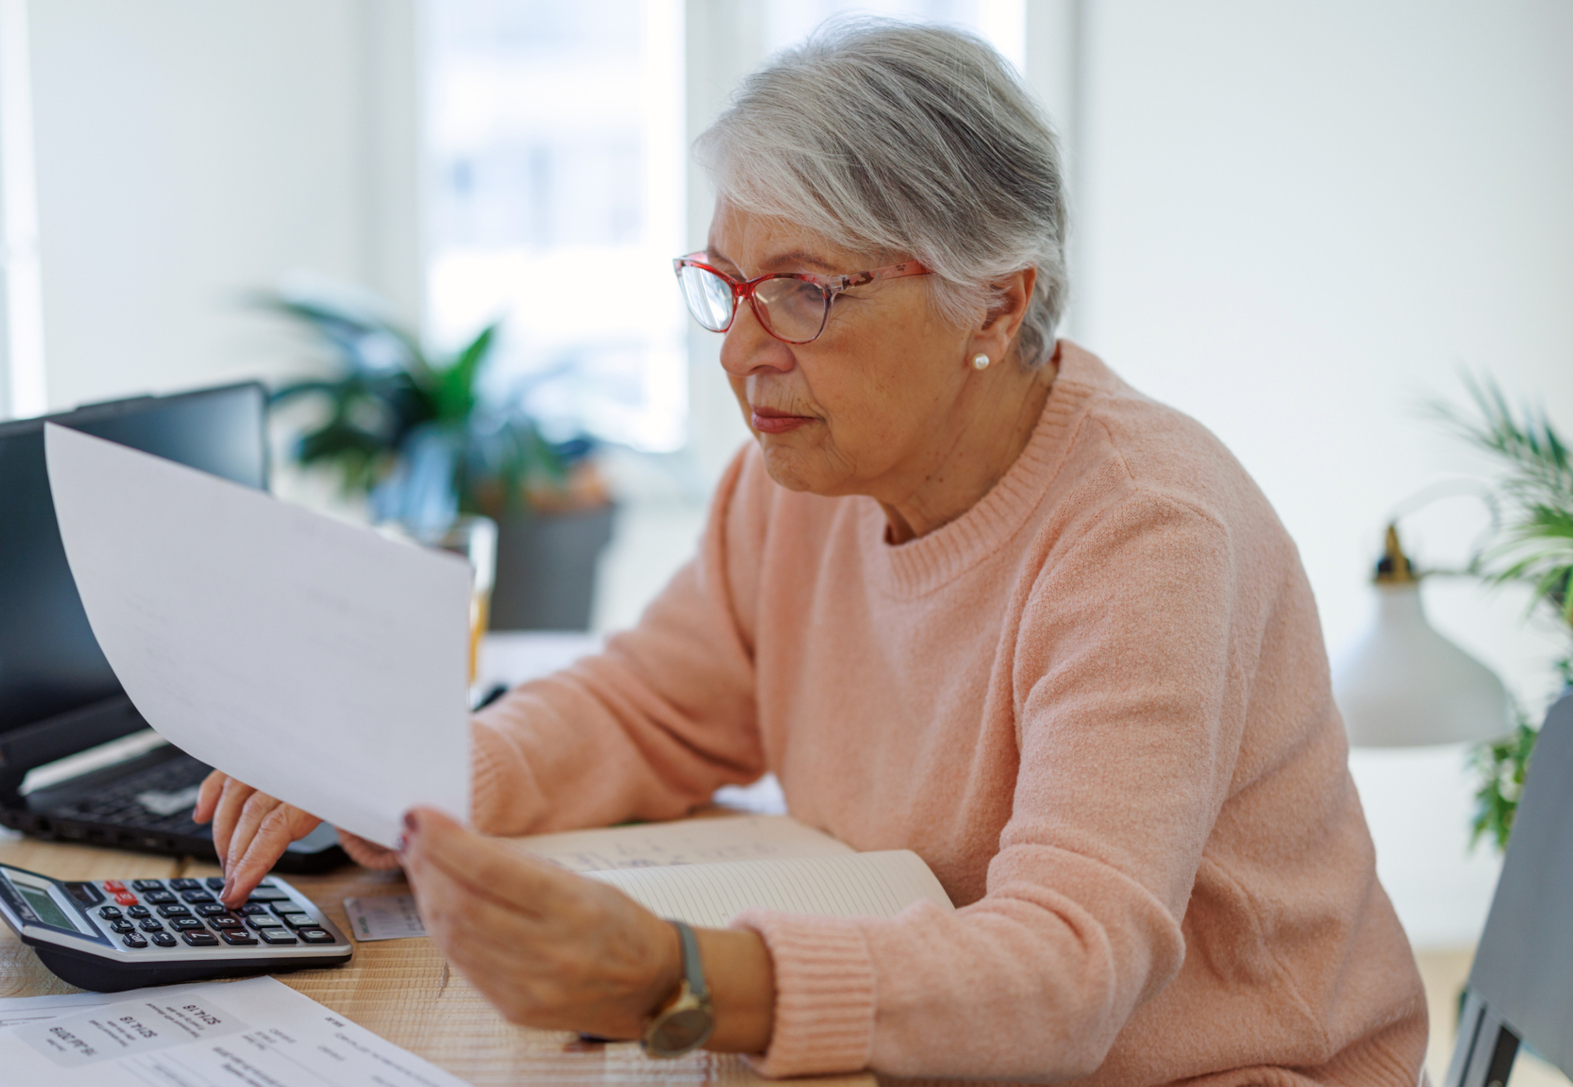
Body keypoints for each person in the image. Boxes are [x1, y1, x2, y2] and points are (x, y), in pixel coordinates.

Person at [194, 19, 1428, 1084]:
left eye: (802, 291)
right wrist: (403, 773)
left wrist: (678, 974)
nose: (739, 350)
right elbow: (642, 709)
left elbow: (1068, 963)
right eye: (725, 285)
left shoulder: (1148, 534)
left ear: (993, 301)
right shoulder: (798, 480)